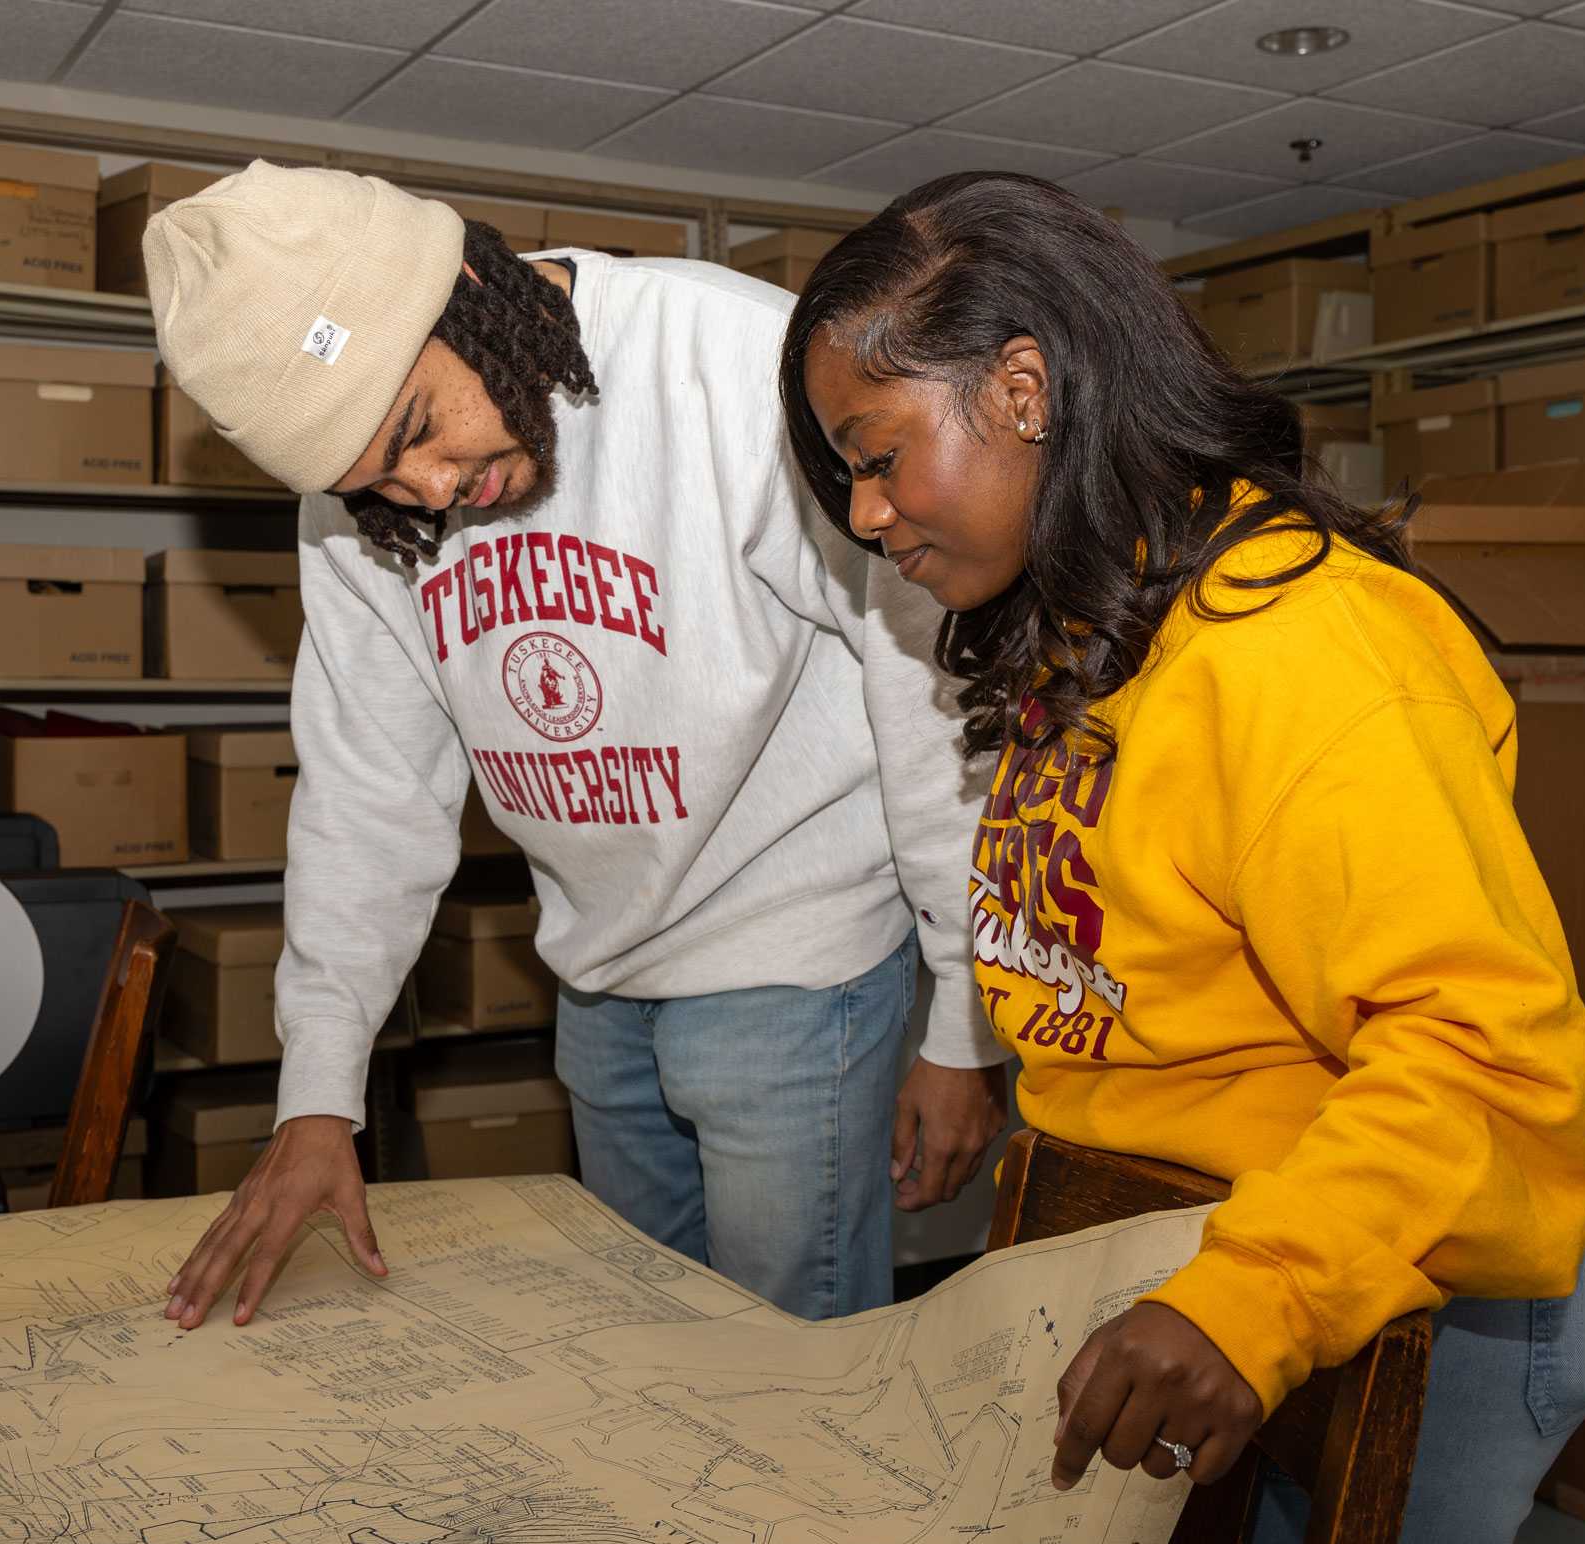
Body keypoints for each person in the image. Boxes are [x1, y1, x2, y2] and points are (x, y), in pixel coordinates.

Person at [778, 171, 1585, 1544]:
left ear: (1025, 389)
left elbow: (1483, 1053)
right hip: (1217, 1250)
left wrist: (1255, 1297)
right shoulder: (1099, 620)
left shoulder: (1303, 652)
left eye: (880, 459)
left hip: (1394, 1250)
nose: (865, 516)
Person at [142, 163, 1013, 1330]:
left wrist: (967, 1022)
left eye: (419, 428)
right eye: (375, 482)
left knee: (790, 1381)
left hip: (792, 965)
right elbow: (367, 794)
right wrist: (318, 1095)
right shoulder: (369, 506)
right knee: (645, 1354)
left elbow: (928, 690)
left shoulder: (733, 366)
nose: (435, 491)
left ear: (462, 290)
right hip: (597, 978)